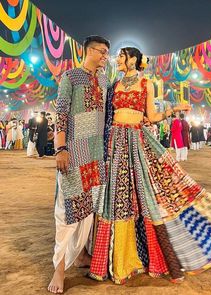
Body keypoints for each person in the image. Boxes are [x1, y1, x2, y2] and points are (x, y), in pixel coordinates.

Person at [88, 47, 211, 285]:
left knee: (148, 196)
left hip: (137, 143)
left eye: (121, 56)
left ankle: (161, 259)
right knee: (117, 199)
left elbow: (152, 116)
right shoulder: (113, 85)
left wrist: (174, 109)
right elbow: (107, 116)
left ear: (133, 59)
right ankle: (120, 262)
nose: (118, 59)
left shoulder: (146, 83)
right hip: (116, 145)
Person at [48, 35, 110, 294]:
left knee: (89, 208)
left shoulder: (105, 80)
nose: (106, 56)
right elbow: (61, 113)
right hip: (73, 151)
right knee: (67, 209)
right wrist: (60, 148)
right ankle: (59, 269)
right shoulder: (70, 77)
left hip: (96, 153)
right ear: (89, 51)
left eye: (108, 52)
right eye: (102, 51)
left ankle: (83, 254)